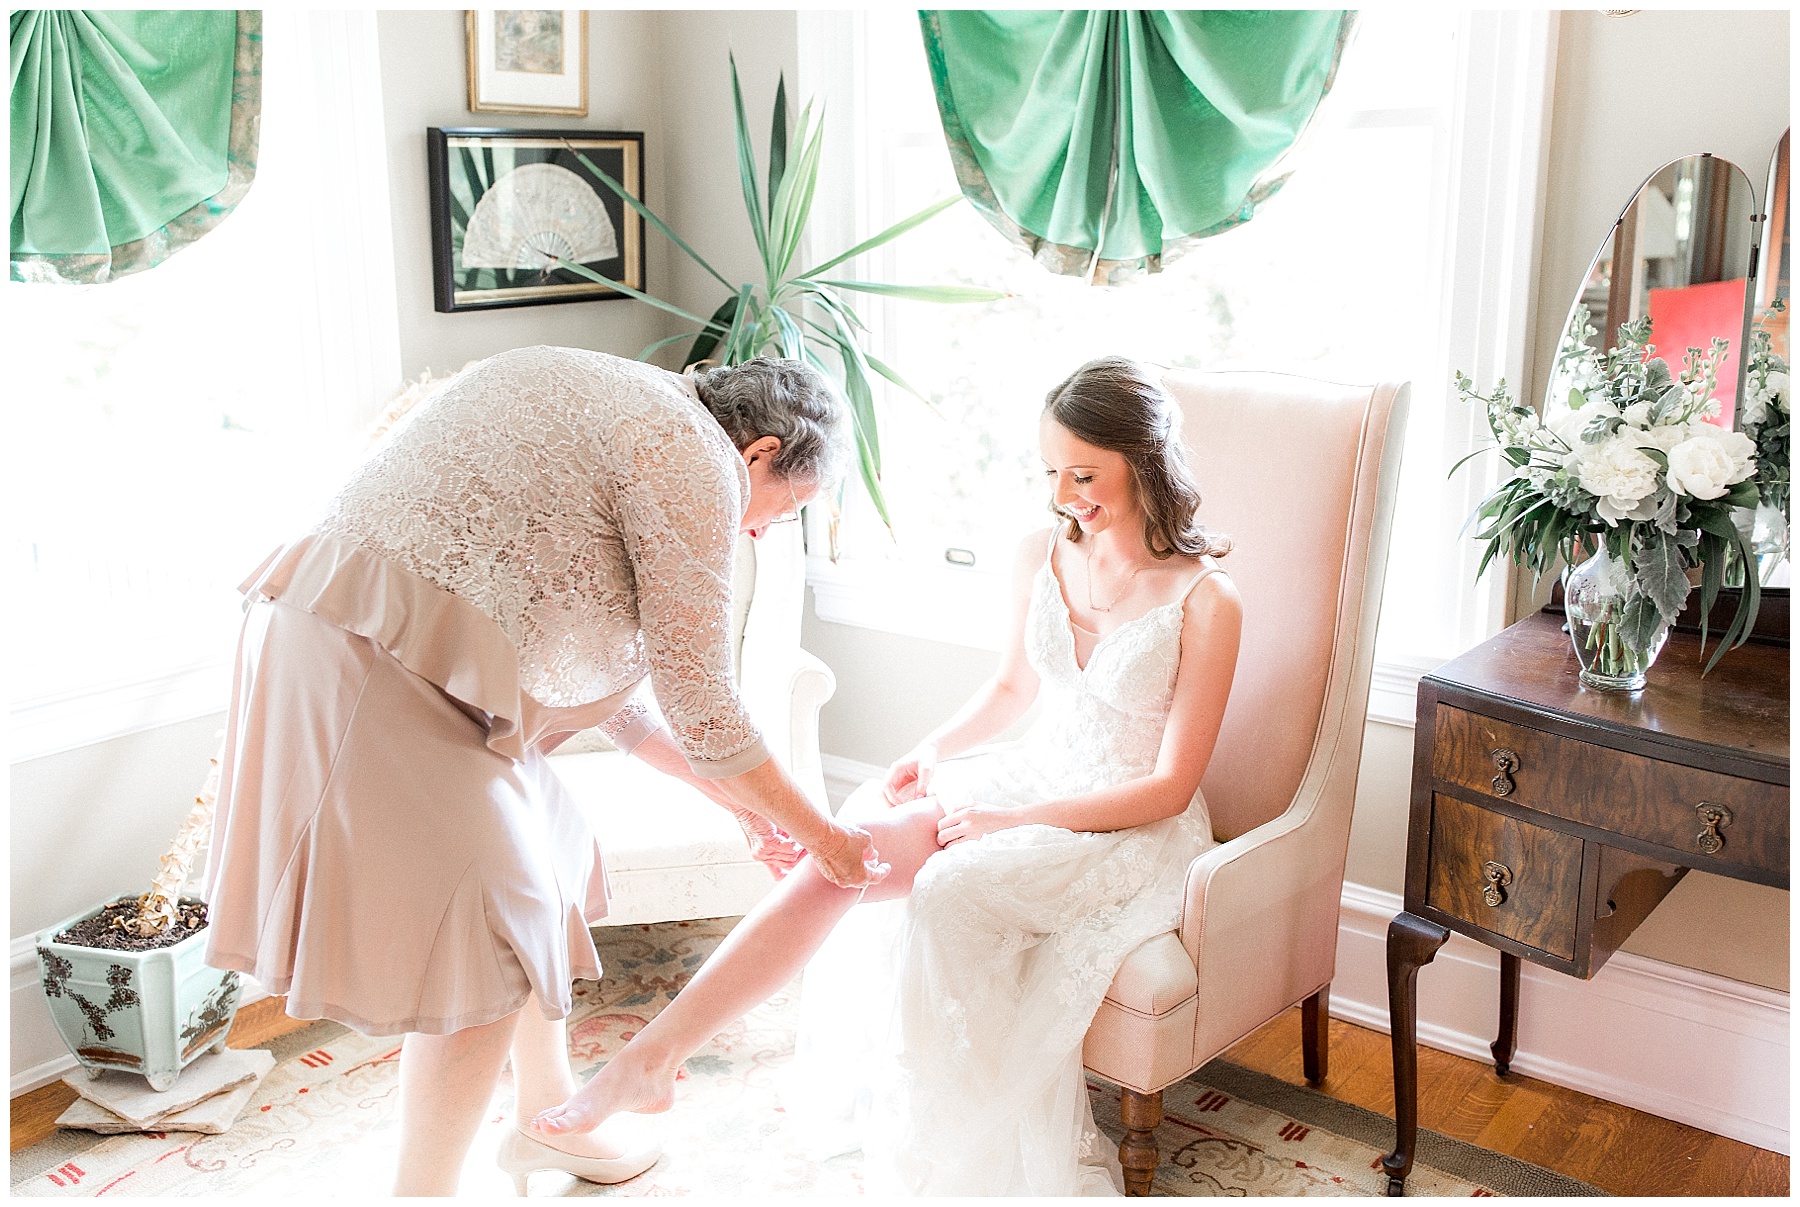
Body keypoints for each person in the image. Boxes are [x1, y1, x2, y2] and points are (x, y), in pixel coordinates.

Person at [531, 354, 1243, 1195]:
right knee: (855, 839)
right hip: (1031, 771)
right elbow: (1014, 686)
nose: (1064, 494)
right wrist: (934, 749)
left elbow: (1167, 786)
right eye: (1052, 471)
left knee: (950, 887)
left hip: (1126, 823)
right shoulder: (1040, 551)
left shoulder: (1208, 600)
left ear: (1145, 460)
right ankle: (654, 1055)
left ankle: (954, 1152)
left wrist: (1014, 823)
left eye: (1085, 473)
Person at [201, 347, 887, 1196]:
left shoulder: (641, 407)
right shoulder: (692, 456)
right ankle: (424, 1193)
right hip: (368, 654)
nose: (762, 530)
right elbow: (702, 702)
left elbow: (627, 710)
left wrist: (751, 812)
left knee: (551, 849)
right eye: (786, 509)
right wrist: (825, 837)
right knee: (492, 930)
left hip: (377, 638)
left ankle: (543, 1117)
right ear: (760, 453)